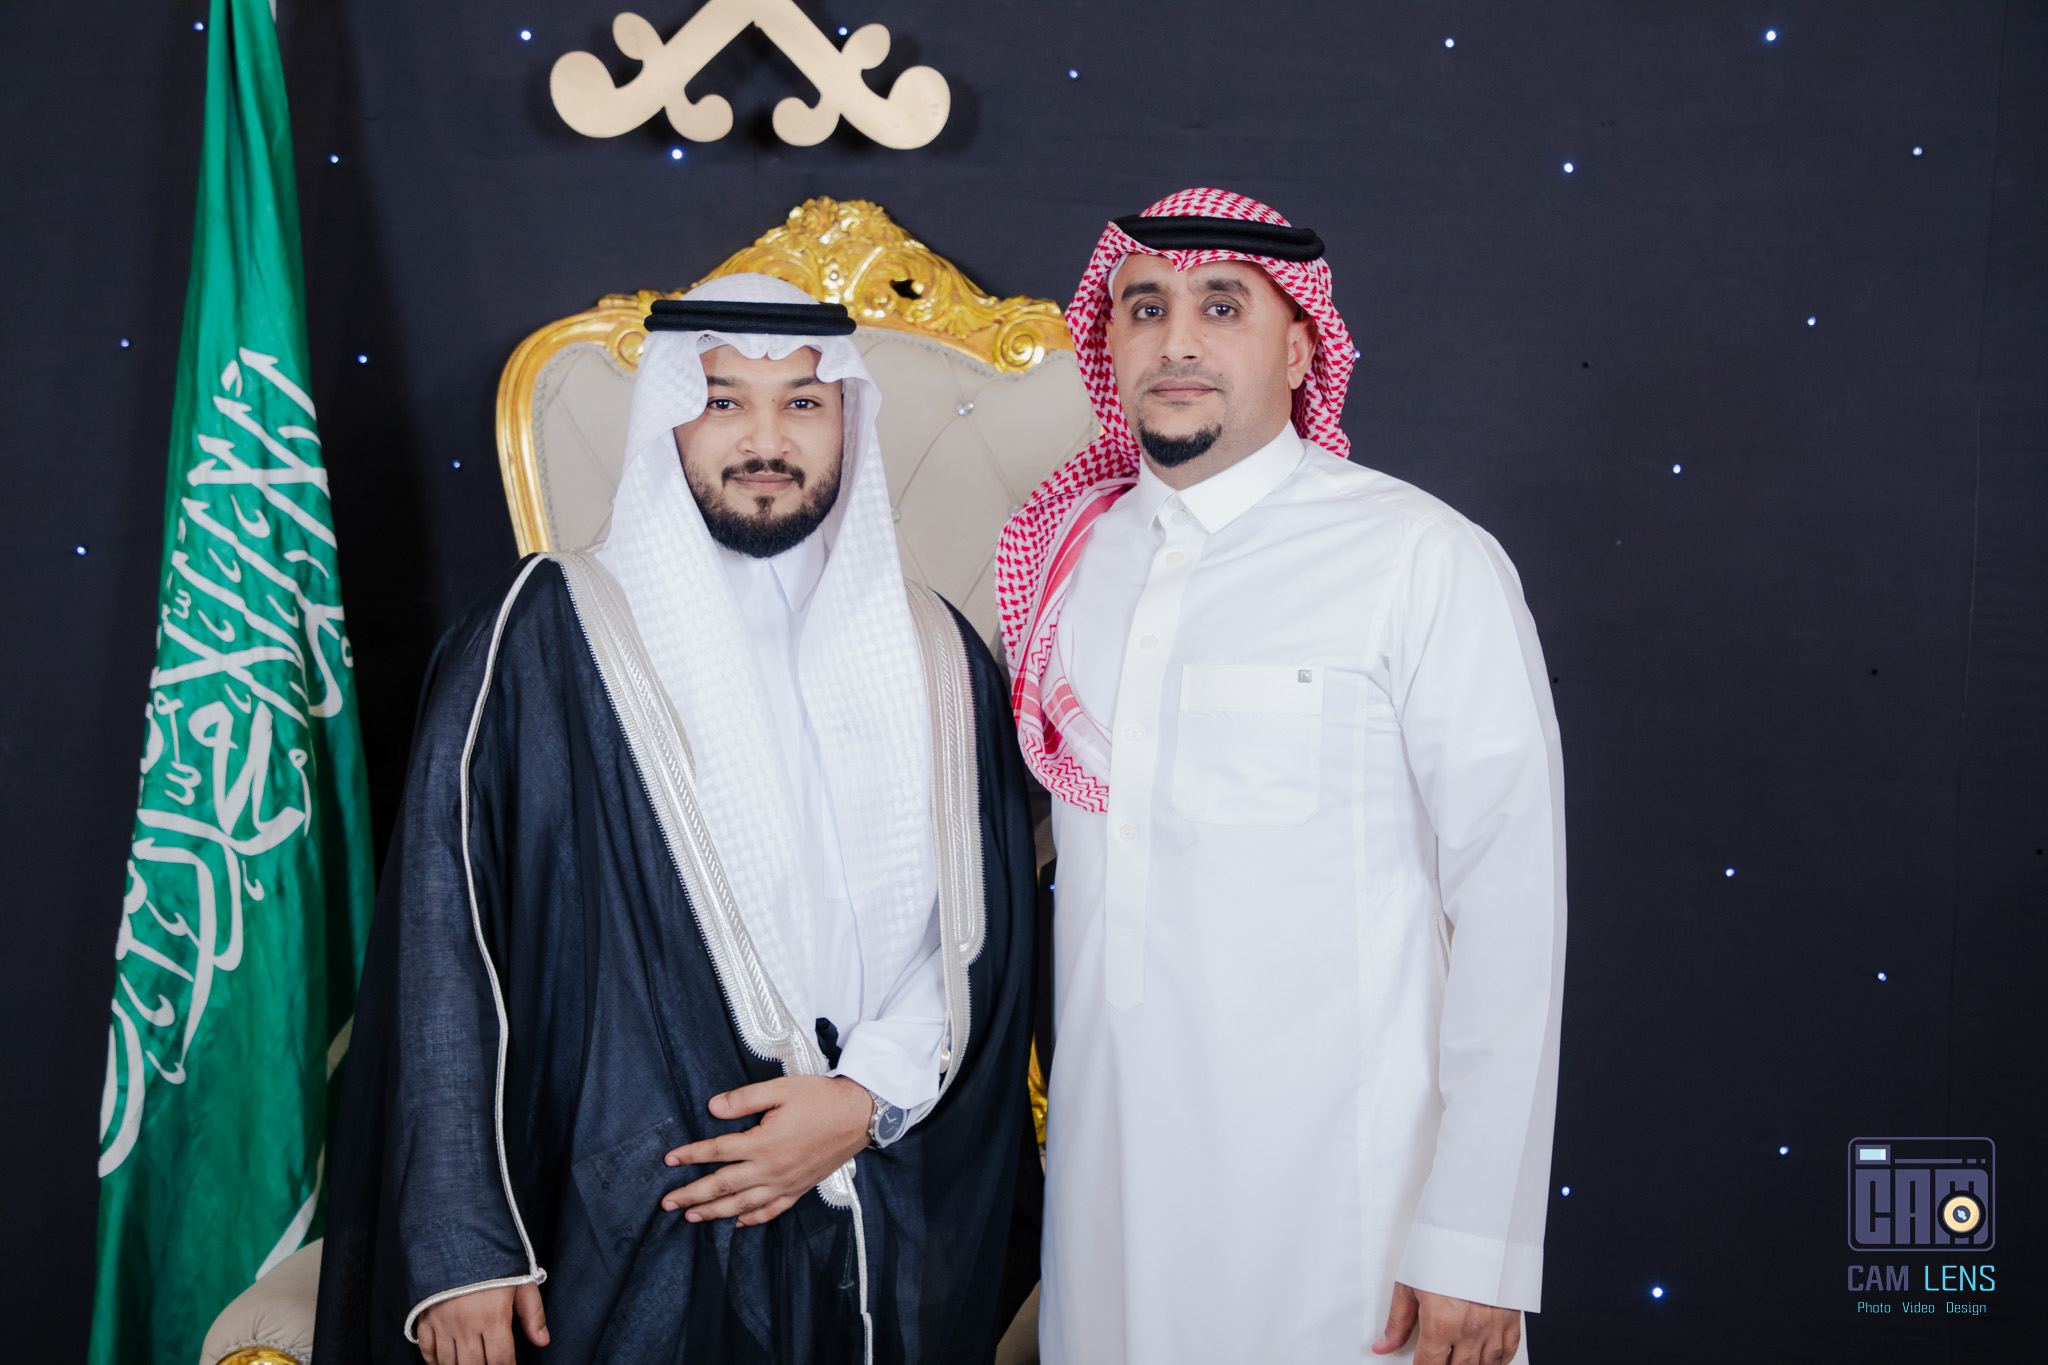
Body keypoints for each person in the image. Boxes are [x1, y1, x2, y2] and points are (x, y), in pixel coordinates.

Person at [316, 275, 1037, 1365]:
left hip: (878, 1197)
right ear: (666, 416)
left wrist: (861, 1099)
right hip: (621, 1217)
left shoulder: (937, 652)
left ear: (847, 418)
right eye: (721, 399)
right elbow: (442, 942)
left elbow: (980, 934)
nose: (765, 440)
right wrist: (464, 1244)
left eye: (802, 403)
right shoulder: (541, 637)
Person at [995, 189, 1566, 1364]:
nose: (1177, 341)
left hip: (1350, 1213)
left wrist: (1475, 1240)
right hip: (1109, 1202)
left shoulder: (1418, 559)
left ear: (1300, 347)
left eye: (1221, 307)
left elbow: (1510, 912)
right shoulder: (1067, 561)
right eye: (1143, 308)